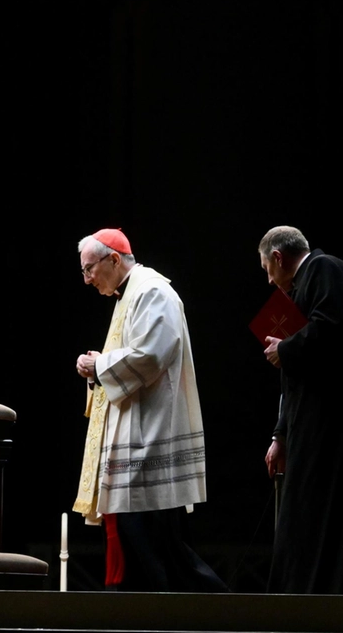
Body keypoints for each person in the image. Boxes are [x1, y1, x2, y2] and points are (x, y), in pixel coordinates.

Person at [72, 228, 228, 593]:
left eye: (89, 269)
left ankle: (225, 612)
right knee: (147, 550)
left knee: (162, 551)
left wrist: (100, 366)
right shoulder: (129, 296)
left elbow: (151, 355)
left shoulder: (152, 291)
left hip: (150, 441)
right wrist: (98, 368)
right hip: (136, 441)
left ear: (113, 259)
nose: (87, 279)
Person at [257, 225, 343, 594]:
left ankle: (328, 599)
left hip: (338, 427)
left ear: (277, 258)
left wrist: (283, 350)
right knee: (305, 516)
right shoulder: (304, 286)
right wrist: (280, 434)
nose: (271, 282)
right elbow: (294, 379)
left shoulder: (326, 269)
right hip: (311, 426)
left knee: (331, 515)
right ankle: (299, 599)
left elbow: (332, 329)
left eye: (268, 271)